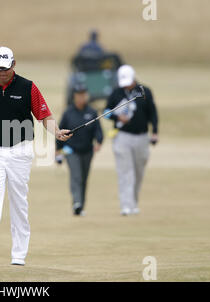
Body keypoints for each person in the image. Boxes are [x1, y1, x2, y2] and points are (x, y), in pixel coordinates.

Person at [0, 46, 72, 266]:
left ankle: (18, 255)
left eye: (5, 68)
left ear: (13, 64)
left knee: (18, 202)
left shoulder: (28, 87)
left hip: (20, 151)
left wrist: (57, 132)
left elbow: (44, 115)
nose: (1, 73)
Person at [104, 65, 159, 216]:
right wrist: (116, 116)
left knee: (138, 172)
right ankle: (125, 205)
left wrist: (155, 131)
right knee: (125, 172)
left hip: (142, 137)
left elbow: (152, 113)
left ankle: (133, 202)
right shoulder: (116, 93)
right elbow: (105, 112)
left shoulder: (145, 92)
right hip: (122, 137)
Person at [56, 83, 103, 216]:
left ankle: (80, 206)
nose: (81, 97)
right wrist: (57, 150)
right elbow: (60, 132)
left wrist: (99, 141)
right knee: (76, 176)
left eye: (83, 95)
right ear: (75, 96)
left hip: (87, 150)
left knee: (83, 178)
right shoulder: (68, 112)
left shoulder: (92, 112)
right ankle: (77, 202)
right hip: (71, 150)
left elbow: (98, 131)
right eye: (78, 95)